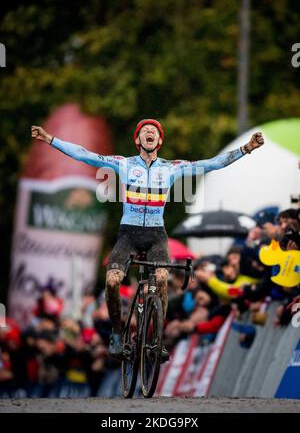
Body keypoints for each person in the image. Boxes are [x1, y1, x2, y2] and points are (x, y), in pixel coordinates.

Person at [31, 119, 264, 359]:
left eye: (154, 131)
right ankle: (117, 333)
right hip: (128, 234)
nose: (150, 133)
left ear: (160, 141)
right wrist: (50, 139)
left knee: (162, 279)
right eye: (145, 131)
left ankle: (158, 340)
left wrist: (245, 148)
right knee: (112, 281)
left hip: (156, 235)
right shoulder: (123, 164)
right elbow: (84, 154)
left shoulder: (171, 168)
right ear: (138, 140)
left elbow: (212, 164)